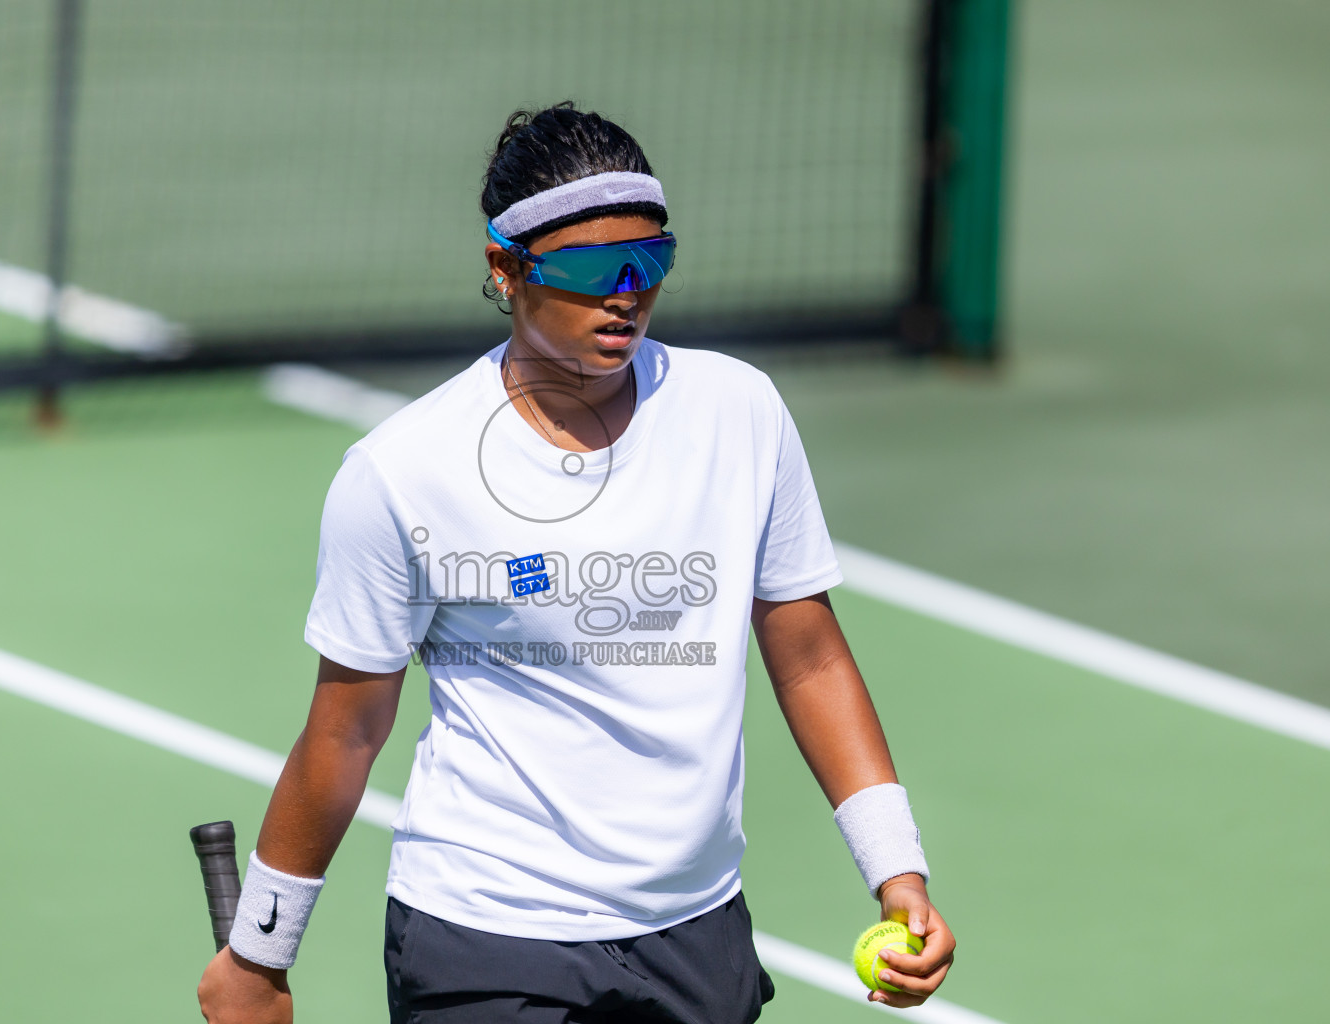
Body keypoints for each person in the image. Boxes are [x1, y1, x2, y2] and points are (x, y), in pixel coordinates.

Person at [198, 102, 955, 1023]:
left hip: (697, 929)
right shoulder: (404, 472)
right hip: (490, 933)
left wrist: (896, 871)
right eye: (595, 270)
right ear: (506, 270)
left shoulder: (739, 412)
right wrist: (261, 954)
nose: (627, 292)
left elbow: (811, 657)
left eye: (651, 262)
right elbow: (346, 732)